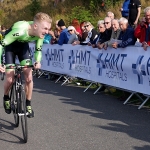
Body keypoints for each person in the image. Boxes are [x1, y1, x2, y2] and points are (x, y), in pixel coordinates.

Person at [0, 12, 52, 118]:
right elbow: (1, 44)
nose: (47, 32)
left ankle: (28, 104)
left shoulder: (39, 34)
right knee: (10, 79)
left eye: (48, 29)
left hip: (23, 47)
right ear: (35, 26)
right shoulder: (20, 30)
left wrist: (37, 61)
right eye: (45, 28)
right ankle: (6, 97)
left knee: (28, 78)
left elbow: (38, 50)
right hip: (10, 46)